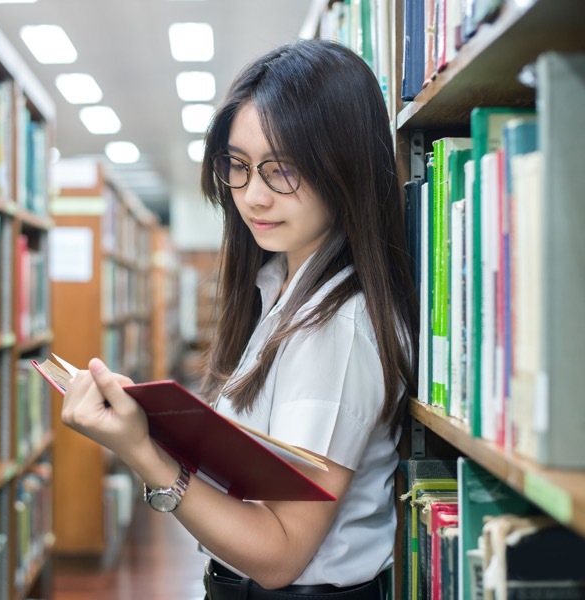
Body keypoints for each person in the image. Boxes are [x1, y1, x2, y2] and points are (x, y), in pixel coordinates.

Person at [60, 38, 418, 600]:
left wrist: (141, 451)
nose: (253, 196)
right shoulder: (279, 289)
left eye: (284, 170)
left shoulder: (335, 328)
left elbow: (279, 555)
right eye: (239, 166)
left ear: (345, 168)